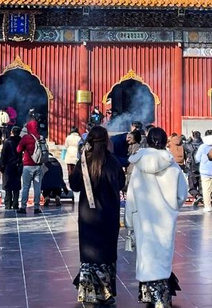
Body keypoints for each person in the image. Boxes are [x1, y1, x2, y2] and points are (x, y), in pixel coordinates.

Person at [125, 127, 187, 308]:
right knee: (163, 254)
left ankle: (149, 294)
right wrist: (172, 207)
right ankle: (162, 295)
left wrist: (129, 221)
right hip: (165, 218)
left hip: (143, 219)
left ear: (148, 140)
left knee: (146, 256)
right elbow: (181, 195)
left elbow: (132, 196)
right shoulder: (172, 164)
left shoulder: (138, 164)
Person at [69, 125, 125, 306]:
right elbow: (121, 184)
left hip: (88, 215)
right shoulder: (113, 162)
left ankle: (89, 291)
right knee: (107, 252)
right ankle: (107, 292)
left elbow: (75, 186)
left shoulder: (84, 162)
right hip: (109, 213)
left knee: (89, 252)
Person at [17, 125, 48, 215]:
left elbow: (18, 149)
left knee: (26, 187)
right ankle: (36, 207)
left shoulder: (26, 138)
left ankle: (23, 207)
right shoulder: (41, 137)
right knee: (37, 187)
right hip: (39, 165)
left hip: (27, 165)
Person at [0, 126, 24, 210]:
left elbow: (3, 156)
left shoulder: (7, 142)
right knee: (16, 185)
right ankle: (15, 203)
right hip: (18, 165)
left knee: (8, 185)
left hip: (8, 166)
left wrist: (1, 167)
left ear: (12, 132)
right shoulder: (21, 141)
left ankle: (8, 203)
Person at [196, 130, 212, 213]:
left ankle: (207, 206)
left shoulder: (202, 147)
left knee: (206, 190)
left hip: (204, 171)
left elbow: (197, 159)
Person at [184, 131, 203, 207]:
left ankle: (197, 196)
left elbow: (184, 145)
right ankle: (202, 196)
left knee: (192, 185)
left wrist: (189, 139)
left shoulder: (189, 145)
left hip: (192, 167)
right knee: (201, 184)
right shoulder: (202, 145)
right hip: (201, 167)